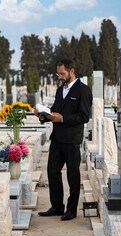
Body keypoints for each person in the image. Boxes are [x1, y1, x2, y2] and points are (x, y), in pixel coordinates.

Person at [34, 58, 93, 221]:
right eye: (58, 73)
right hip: (57, 139)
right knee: (52, 172)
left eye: (62, 73)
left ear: (72, 71)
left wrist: (64, 119)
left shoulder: (83, 90)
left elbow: (84, 117)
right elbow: (55, 112)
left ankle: (72, 210)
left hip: (72, 140)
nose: (59, 77)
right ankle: (57, 207)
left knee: (73, 175)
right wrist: (43, 115)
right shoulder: (61, 90)